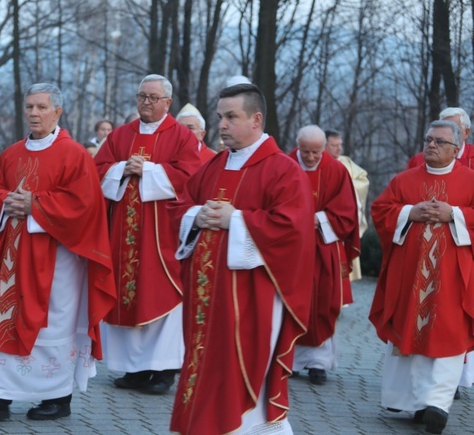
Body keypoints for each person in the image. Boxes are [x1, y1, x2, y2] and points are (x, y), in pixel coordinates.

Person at [167, 82, 314, 434]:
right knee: (208, 363)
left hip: (253, 297)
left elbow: (293, 228)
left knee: (244, 365)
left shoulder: (283, 169)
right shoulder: (215, 165)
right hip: (208, 297)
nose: (222, 125)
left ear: (256, 120)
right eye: (220, 117)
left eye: (231, 117)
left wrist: (238, 219)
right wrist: (196, 217)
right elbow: (181, 206)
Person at [0, 83, 116, 421]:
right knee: (3, 318)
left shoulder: (74, 154)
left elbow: (85, 205)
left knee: (51, 325)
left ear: (57, 112)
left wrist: (36, 205)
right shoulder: (13, 153)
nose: (34, 113)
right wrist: (7, 202)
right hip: (13, 258)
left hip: (57, 259)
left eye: (41, 107)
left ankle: (57, 397)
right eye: (29, 107)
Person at [93, 74, 199, 394]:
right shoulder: (121, 135)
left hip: (160, 236)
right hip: (122, 235)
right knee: (126, 297)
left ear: (167, 103)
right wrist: (121, 169)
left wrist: (148, 170)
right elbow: (97, 170)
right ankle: (134, 370)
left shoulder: (181, 137)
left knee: (162, 294)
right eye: (142, 97)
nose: (146, 103)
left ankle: (164, 370)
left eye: (153, 98)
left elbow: (191, 177)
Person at [369, 120, 474, 434]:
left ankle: (437, 405)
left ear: (456, 149)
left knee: (448, 333)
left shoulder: (470, 180)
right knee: (409, 330)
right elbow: (381, 208)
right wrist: (409, 213)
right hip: (409, 275)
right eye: (428, 140)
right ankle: (412, 402)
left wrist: (453, 214)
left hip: (453, 278)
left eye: (440, 142)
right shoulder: (405, 179)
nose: (431, 145)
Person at [288, 125, 360, 386]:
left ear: (324, 148)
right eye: (305, 151)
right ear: (298, 145)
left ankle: (319, 363)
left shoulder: (335, 170)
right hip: (291, 246)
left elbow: (346, 211)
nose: (309, 157)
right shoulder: (285, 164)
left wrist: (318, 219)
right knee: (292, 303)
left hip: (322, 245)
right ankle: (290, 361)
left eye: (316, 152)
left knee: (322, 302)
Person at [325, 129, 370, 305]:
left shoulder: (346, 162)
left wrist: (347, 187)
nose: (338, 149)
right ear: (325, 144)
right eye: (334, 145)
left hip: (343, 220)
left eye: (340, 145)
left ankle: (340, 298)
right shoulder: (318, 162)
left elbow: (363, 179)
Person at [407, 107, 474, 168]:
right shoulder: (418, 160)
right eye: (444, 128)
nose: (448, 132)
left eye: (455, 128)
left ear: (466, 132)